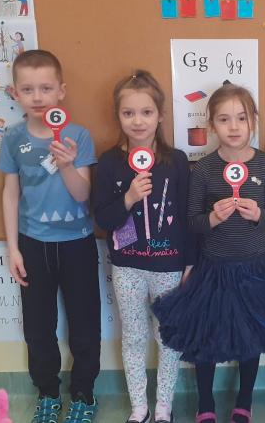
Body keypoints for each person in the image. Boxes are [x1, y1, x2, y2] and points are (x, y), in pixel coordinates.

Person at [153, 84, 265, 423]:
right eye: (224, 119)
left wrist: (258, 214)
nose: (234, 127)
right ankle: (205, 403)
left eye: (241, 118)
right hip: (212, 269)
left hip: (253, 269)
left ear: (253, 121)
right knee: (206, 337)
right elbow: (192, 221)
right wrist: (213, 218)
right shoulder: (204, 169)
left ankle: (244, 402)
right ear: (211, 125)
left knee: (251, 338)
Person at [0, 50, 101, 423]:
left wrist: (68, 164)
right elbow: (11, 193)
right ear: (15, 93)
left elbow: (83, 194)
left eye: (45, 88)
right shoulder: (13, 138)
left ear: (61, 91)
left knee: (85, 324)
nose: (37, 97)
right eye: (28, 89)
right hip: (32, 244)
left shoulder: (78, 136)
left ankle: (84, 393)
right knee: (38, 327)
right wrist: (13, 248)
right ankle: (47, 393)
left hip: (77, 244)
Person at [93, 71, 195, 423]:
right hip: (128, 268)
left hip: (169, 267)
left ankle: (164, 406)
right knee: (134, 337)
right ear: (118, 116)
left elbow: (188, 215)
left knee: (167, 338)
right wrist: (129, 197)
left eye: (146, 112)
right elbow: (103, 218)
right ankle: (140, 407)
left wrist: (190, 263)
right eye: (129, 113)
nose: (138, 121)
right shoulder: (109, 162)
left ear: (160, 115)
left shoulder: (176, 161)